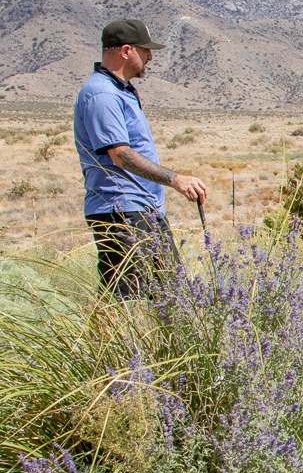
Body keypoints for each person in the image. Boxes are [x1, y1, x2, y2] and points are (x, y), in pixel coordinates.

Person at [74, 19, 208, 299]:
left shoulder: (119, 90)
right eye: (145, 50)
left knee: (171, 295)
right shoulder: (102, 94)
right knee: (122, 300)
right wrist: (175, 179)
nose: (150, 57)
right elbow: (120, 155)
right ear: (126, 51)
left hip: (141, 208)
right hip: (120, 210)